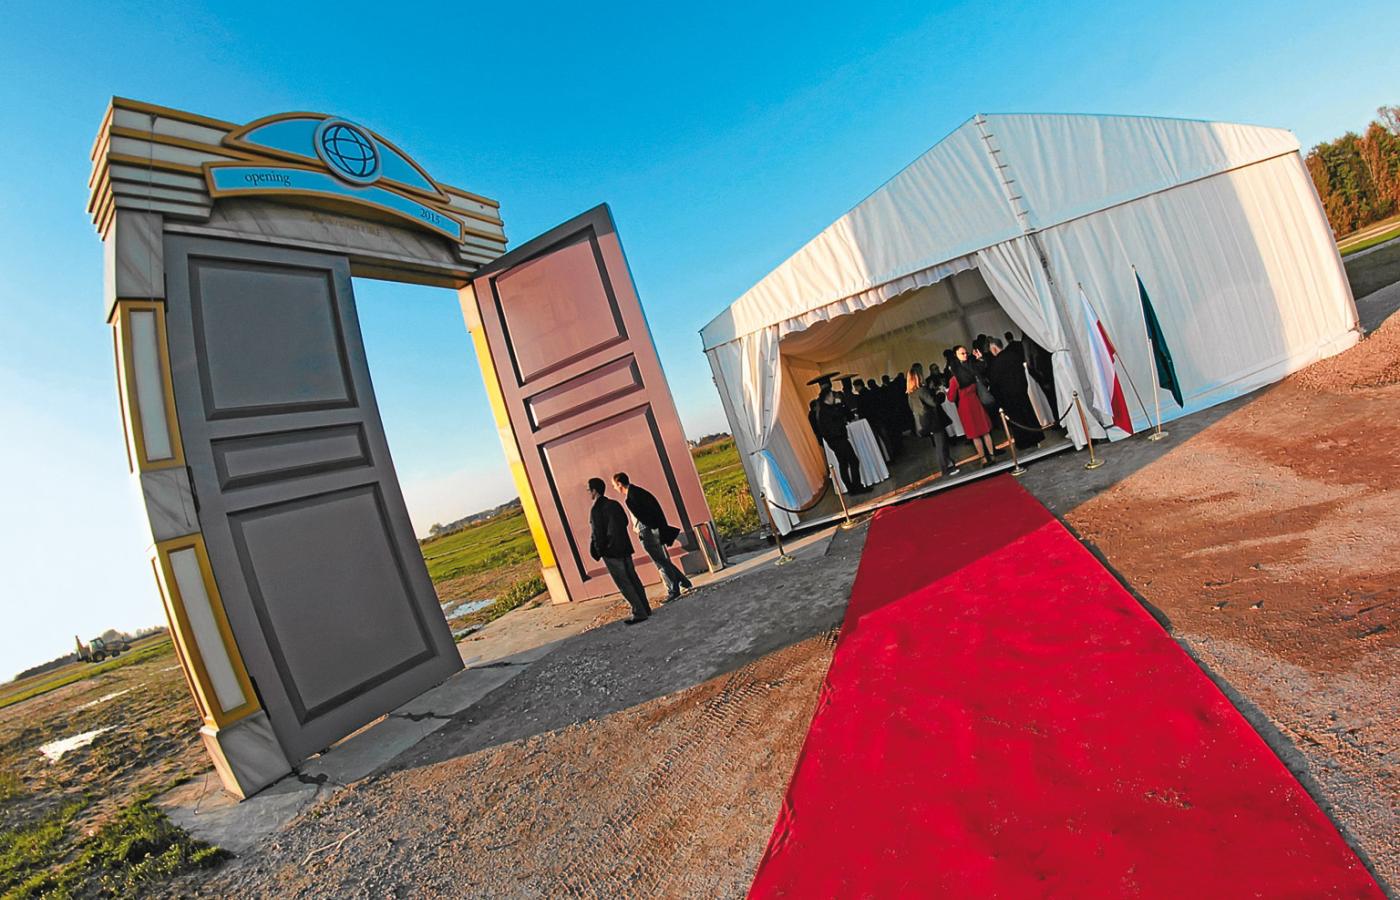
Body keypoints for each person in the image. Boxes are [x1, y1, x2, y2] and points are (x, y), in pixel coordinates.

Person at [612, 472, 692, 602]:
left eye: (614, 485)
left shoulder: (631, 498)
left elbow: (643, 517)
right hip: (651, 530)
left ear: (619, 484)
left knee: (660, 562)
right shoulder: (638, 492)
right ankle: (683, 581)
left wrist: (646, 530)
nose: (614, 488)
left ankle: (673, 590)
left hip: (646, 532)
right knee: (662, 559)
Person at [587, 477, 650, 625]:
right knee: (633, 579)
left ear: (595, 491)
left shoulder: (596, 510)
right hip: (625, 547)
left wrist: (599, 550)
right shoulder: (614, 504)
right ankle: (645, 608)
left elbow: (597, 533)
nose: (589, 493)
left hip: (611, 552)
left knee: (624, 583)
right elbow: (625, 522)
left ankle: (639, 612)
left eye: (589, 490)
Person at [985, 338, 1045, 448]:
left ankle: (1024, 442)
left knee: (1017, 419)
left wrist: (998, 398)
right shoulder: (1014, 355)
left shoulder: (995, 363)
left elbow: (994, 382)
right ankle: (1036, 436)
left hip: (1008, 396)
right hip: (1021, 390)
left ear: (994, 348)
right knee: (1028, 414)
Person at [948, 345, 997, 465]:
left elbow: (951, 398)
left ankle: (983, 459)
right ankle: (992, 455)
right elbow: (982, 368)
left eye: (966, 353)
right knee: (985, 431)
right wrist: (980, 359)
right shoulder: (971, 372)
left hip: (965, 407)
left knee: (975, 436)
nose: (965, 355)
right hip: (976, 402)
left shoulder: (954, 380)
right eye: (963, 353)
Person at [906, 367, 958, 475]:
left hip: (925, 421)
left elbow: (912, 408)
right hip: (934, 419)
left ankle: (948, 464)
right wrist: (940, 394)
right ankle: (946, 468)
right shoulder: (922, 390)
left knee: (939, 444)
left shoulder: (911, 394)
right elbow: (933, 402)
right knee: (941, 444)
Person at [815, 385, 867, 493]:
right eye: (832, 396)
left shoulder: (823, 410)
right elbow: (839, 415)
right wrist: (840, 404)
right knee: (852, 461)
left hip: (835, 441)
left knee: (844, 464)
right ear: (828, 397)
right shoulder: (827, 410)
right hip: (838, 439)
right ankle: (856, 487)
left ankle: (851, 488)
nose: (833, 398)